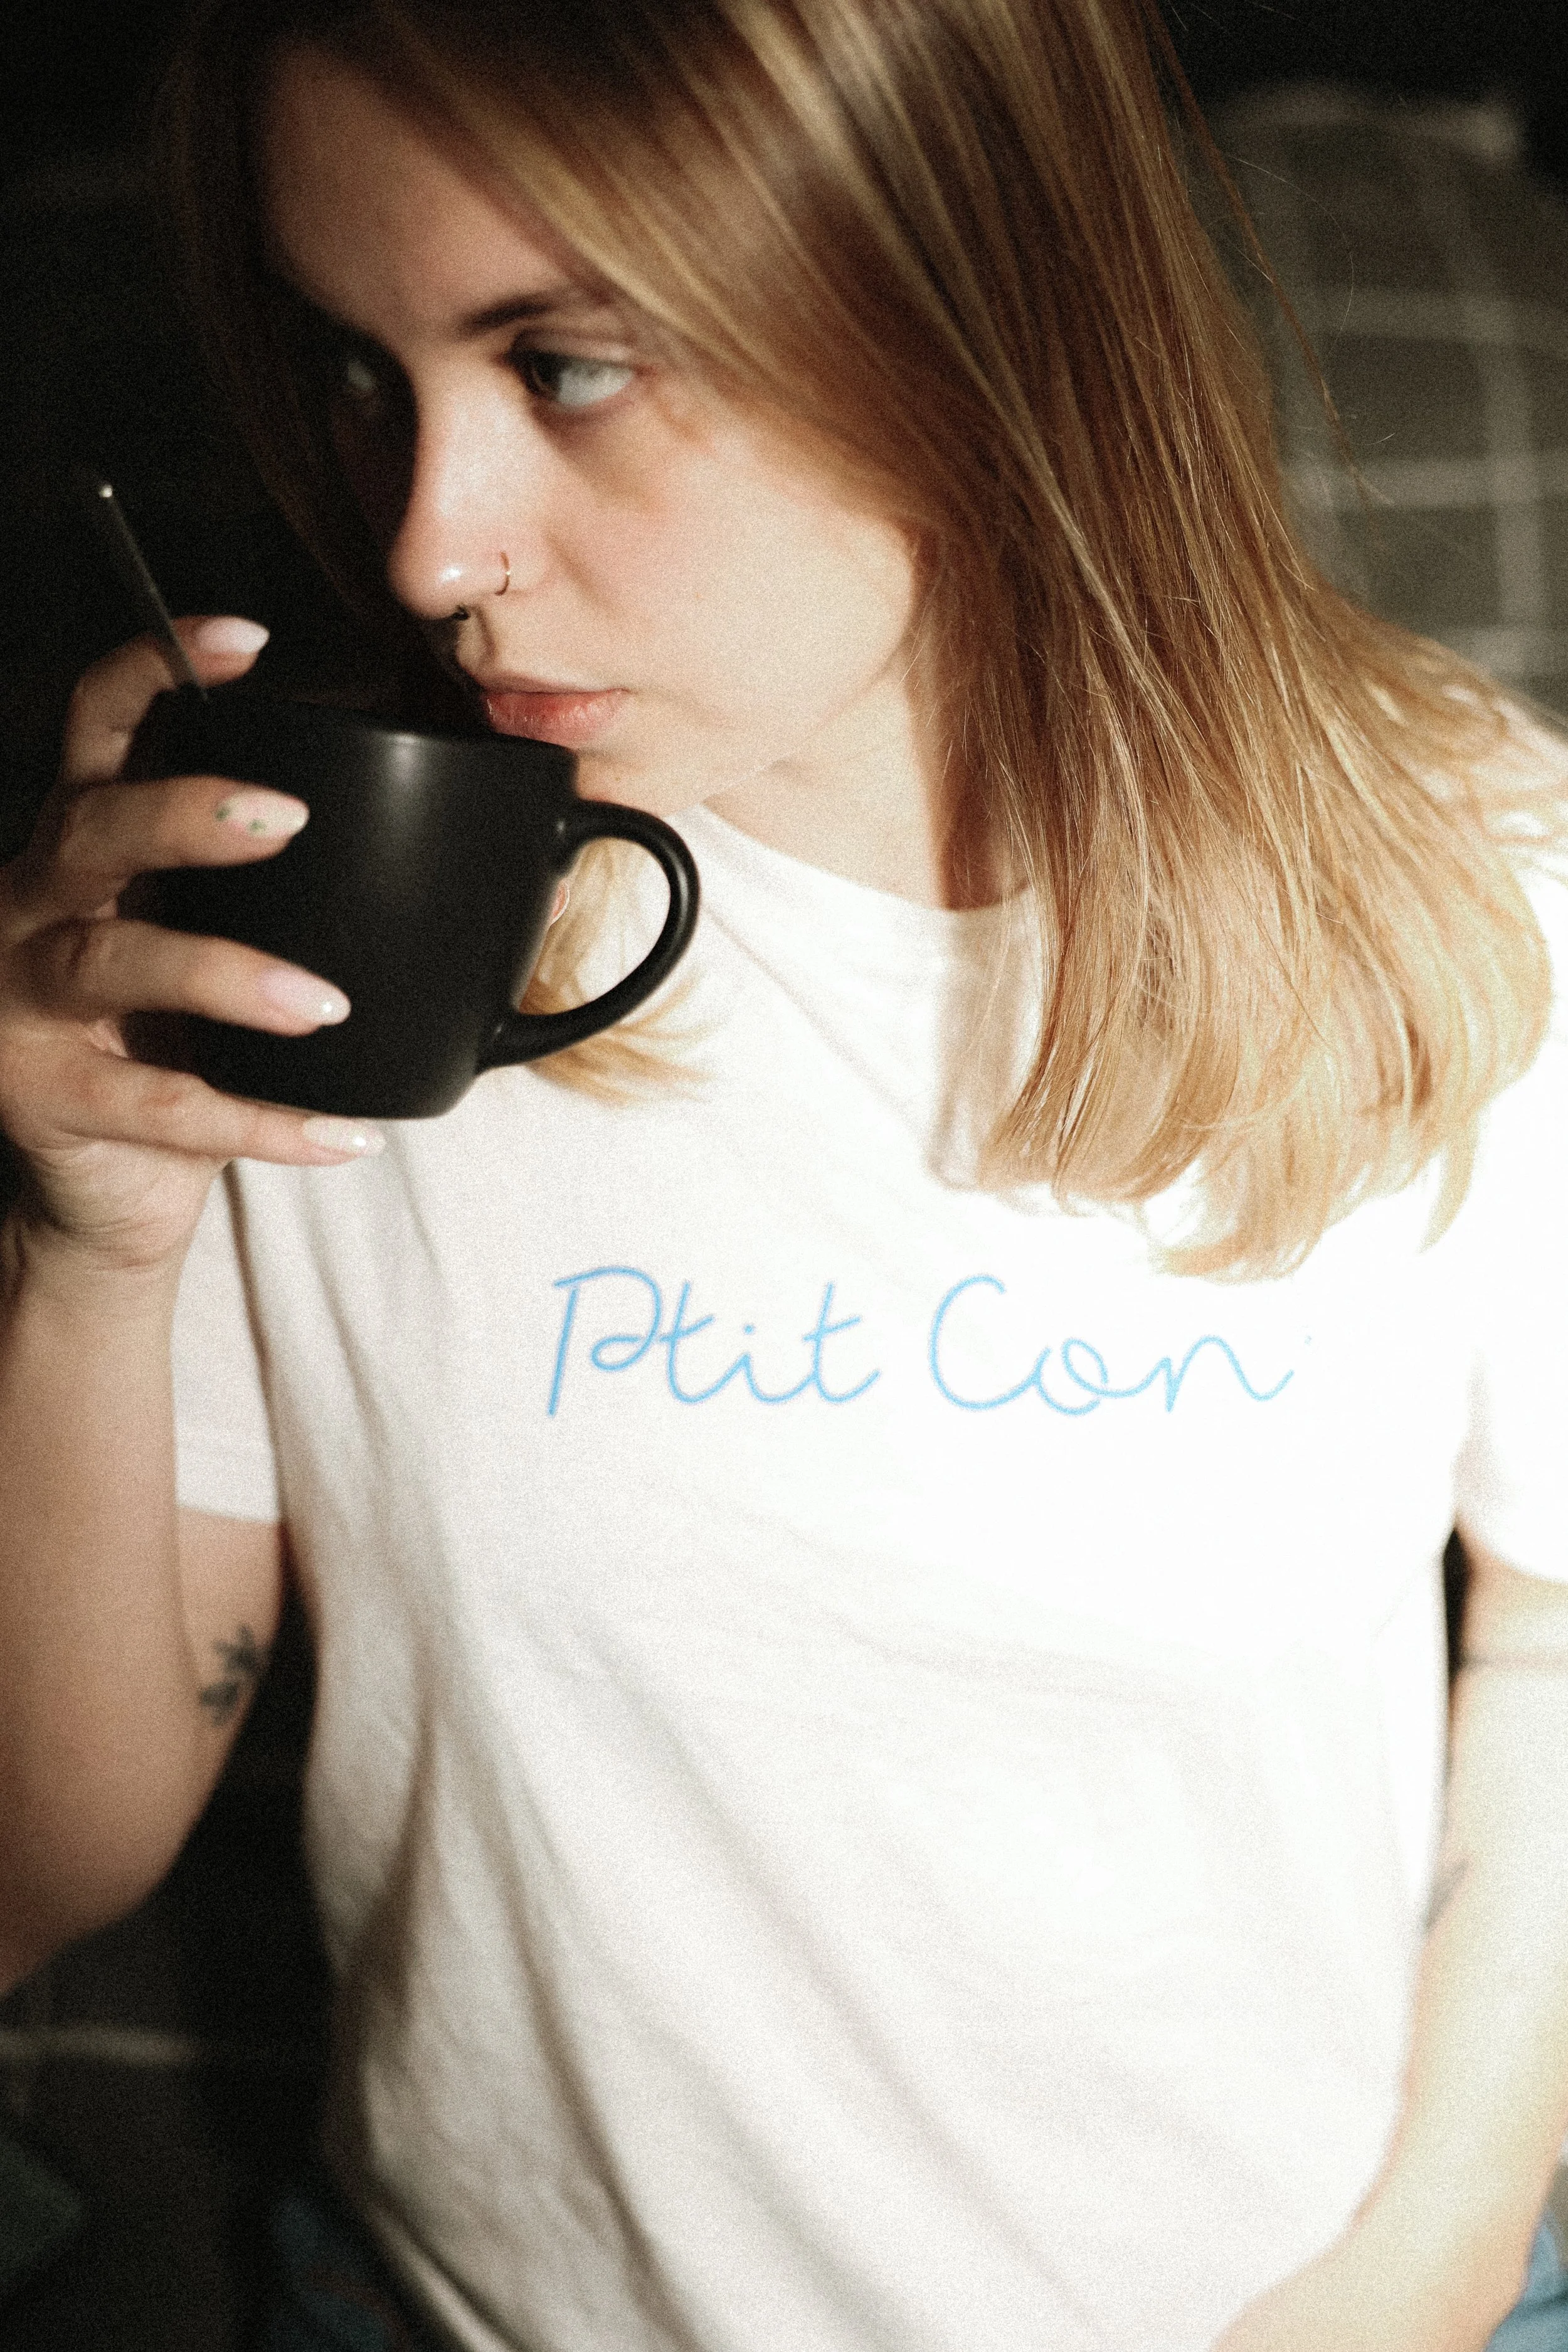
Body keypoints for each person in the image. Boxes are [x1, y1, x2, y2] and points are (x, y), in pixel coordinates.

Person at [1, 0, 1567, 2346]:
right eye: (362, 374)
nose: (431, 544)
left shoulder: (1477, 879)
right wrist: (84, 1249)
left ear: (960, 293)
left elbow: (1549, 1616)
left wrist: (1425, 2267)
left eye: (570, 367)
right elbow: (35, 1874)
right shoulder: (339, 920)